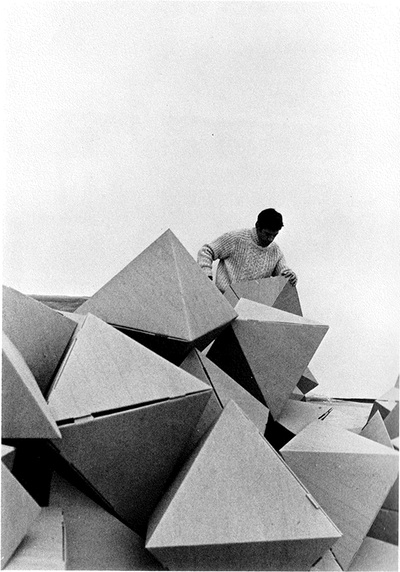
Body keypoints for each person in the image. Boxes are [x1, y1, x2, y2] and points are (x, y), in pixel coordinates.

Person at [197, 208, 297, 293]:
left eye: (274, 235)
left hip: (250, 306)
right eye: (267, 234)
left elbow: (283, 272)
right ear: (258, 226)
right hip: (225, 300)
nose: (270, 239)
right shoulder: (236, 238)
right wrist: (206, 278)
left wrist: (289, 276)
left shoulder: (275, 251)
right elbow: (206, 251)